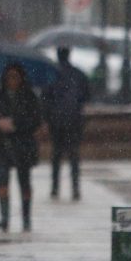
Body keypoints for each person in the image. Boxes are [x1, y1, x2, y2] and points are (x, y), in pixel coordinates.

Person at [0, 64, 42, 232]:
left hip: (22, 145)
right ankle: (4, 217)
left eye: (15, 77)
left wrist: (16, 125)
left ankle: (26, 217)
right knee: (3, 178)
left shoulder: (29, 97)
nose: (12, 81)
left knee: (24, 181)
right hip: (1, 144)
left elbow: (36, 119)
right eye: (9, 77)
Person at [43, 47, 90, 201]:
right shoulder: (78, 74)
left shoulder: (51, 74)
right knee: (73, 155)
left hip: (56, 120)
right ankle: (75, 188)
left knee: (56, 154)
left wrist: (48, 116)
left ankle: (55, 188)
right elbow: (86, 95)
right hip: (73, 119)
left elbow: (45, 97)